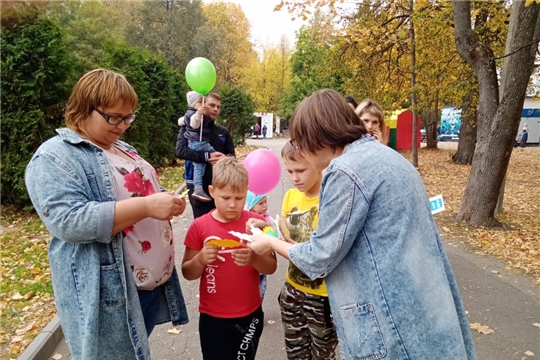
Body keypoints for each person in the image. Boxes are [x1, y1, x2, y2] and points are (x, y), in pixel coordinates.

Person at [247, 89, 477, 360]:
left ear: (317, 136)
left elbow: (320, 257)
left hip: (389, 319)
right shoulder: (389, 158)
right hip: (425, 308)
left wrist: (269, 242)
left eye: (301, 142)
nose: (302, 153)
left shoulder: (344, 170)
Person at [24, 69, 189, 360]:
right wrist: (149, 207)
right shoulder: (54, 157)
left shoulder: (121, 148)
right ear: (83, 109)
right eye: (114, 117)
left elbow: (139, 190)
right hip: (112, 298)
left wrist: (167, 200)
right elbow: (68, 221)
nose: (123, 125)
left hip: (145, 289)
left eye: (128, 117)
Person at [182, 157, 277, 360]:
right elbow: (187, 272)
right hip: (212, 318)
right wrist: (200, 259)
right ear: (212, 191)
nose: (233, 205)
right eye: (225, 198)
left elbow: (271, 267)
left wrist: (254, 258)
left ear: (247, 193)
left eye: (239, 198)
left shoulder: (256, 223)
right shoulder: (199, 227)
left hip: (249, 314)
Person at [278, 142, 338, 360]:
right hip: (292, 290)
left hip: (322, 297)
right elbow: (283, 234)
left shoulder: (330, 198)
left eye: (300, 170)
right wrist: (263, 227)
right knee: (296, 353)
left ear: (317, 164)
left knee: (322, 355)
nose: (294, 178)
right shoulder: (290, 196)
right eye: (289, 171)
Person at [176, 92, 235, 219]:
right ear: (202, 104)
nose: (215, 109)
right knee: (202, 225)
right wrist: (206, 157)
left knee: (222, 225)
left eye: (218, 107)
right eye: (212, 105)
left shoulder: (223, 132)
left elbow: (232, 157)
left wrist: (225, 159)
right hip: (197, 185)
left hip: (220, 186)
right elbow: (181, 151)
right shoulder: (188, 129)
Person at [181, 91, 216, 202]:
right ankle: (221, 177)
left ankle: (198, 188)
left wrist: (182, 121)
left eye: (204, 102)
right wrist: (198, 114)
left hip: (195, 143)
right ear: (193, 103)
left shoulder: (188, 113)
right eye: (200, 102)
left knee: (199, 167)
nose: (203, 104)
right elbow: (194, 124)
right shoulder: (195, 114)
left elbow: (182, 121)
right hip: (198, 143)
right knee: (216, 155)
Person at [245, 190, 270, 299]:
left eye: (265, 201)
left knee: (261, 290)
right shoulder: (248, 222)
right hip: (250, 265)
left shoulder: (266, 217)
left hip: (263, 262)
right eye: (260, 203)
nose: (265, 206)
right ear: (251, 205)